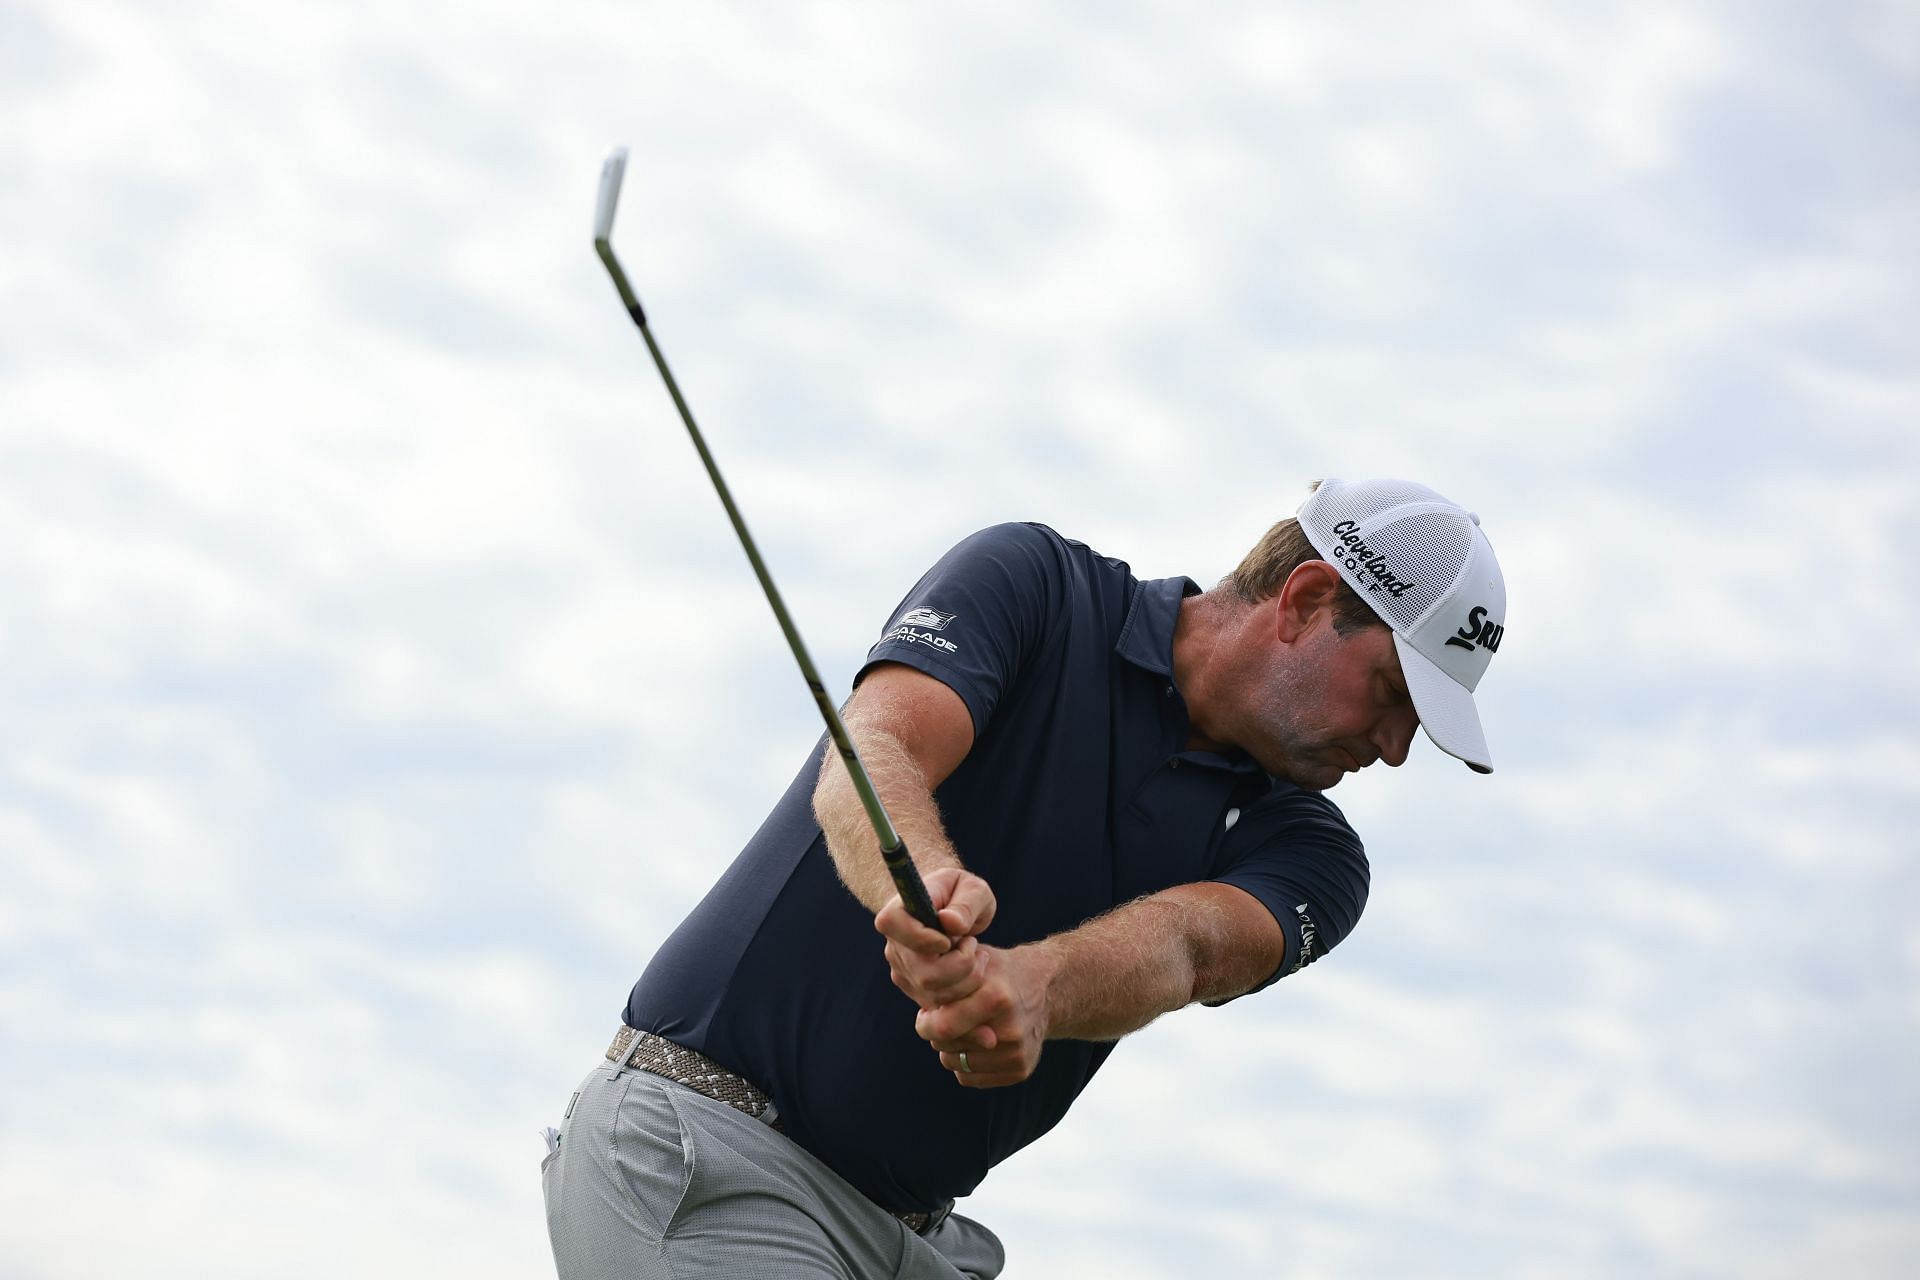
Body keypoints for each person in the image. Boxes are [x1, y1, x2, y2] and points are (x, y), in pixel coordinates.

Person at [541, 477, 1508, 1279]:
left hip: (915, 1240)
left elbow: (1191, 944)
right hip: (712, 1151)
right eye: (1392, 694)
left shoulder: (1317, 853)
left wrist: (1034, 987)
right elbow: (872, 751)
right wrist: (919, 890)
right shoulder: (1036, 586)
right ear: (1303, 602)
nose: (1393, 749)